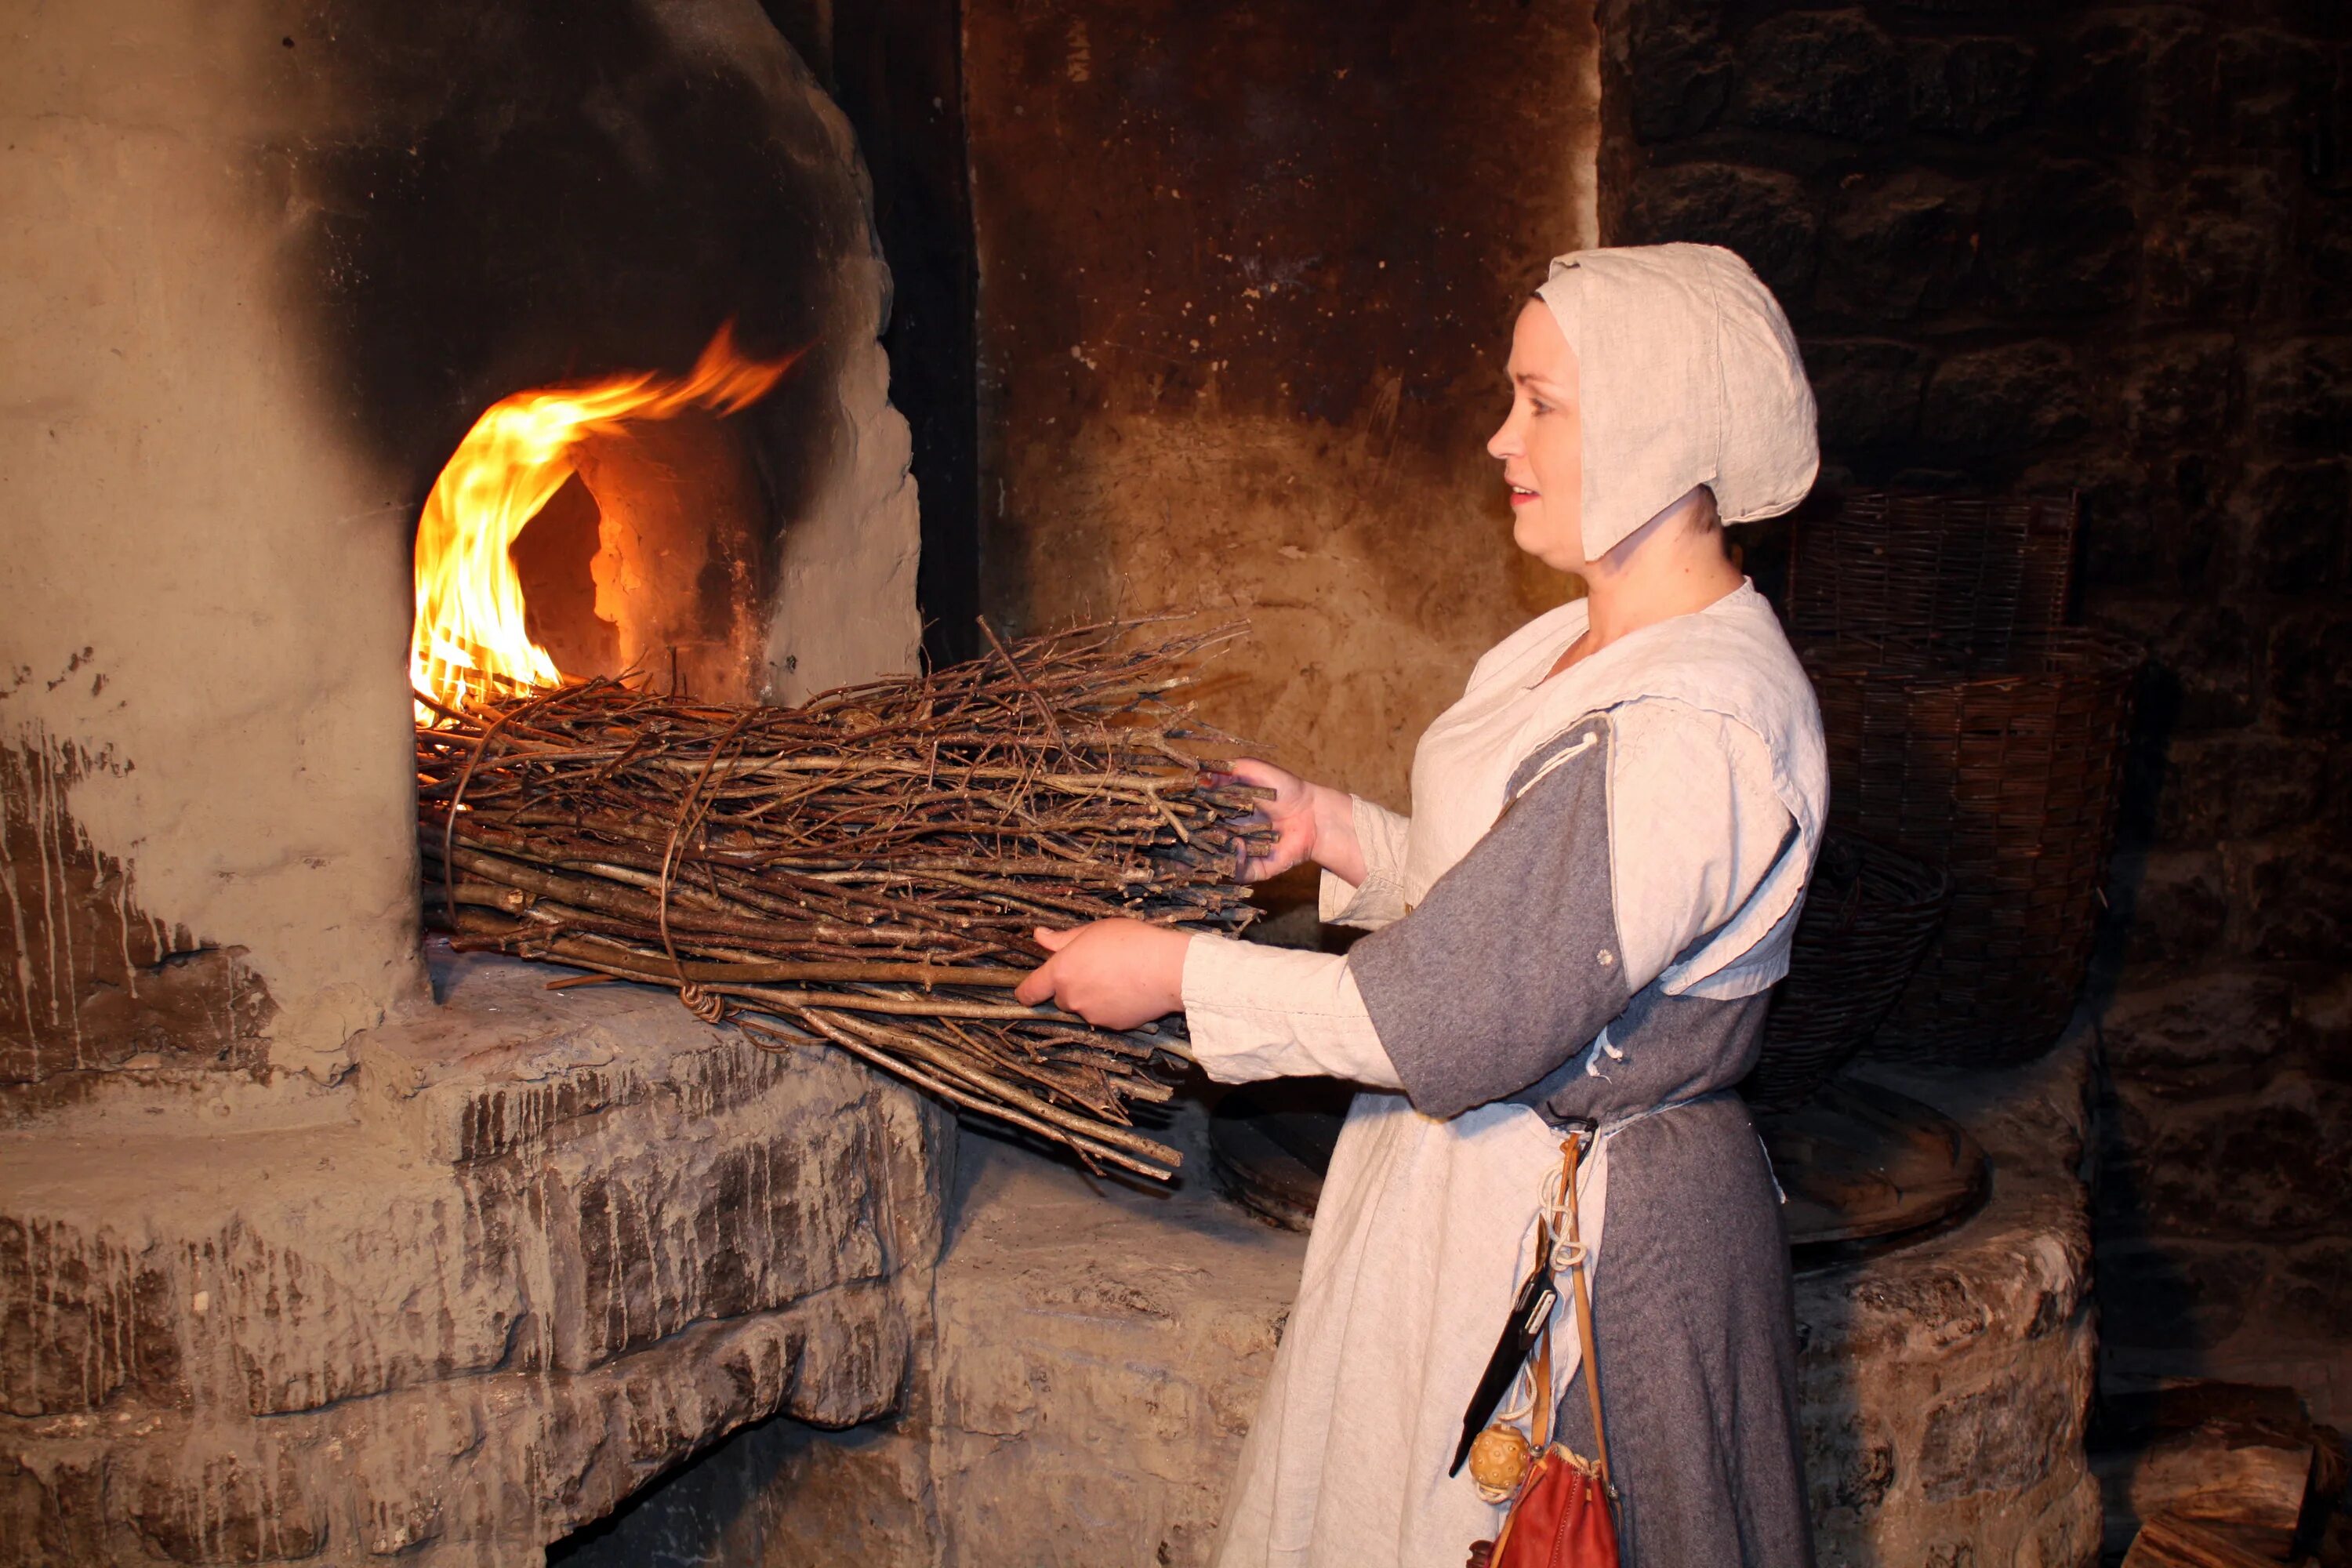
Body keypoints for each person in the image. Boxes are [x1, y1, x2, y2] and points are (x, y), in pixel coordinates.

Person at [1016, 242, 1827, 1568]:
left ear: (1661, 425)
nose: (1501, 435)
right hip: (1463, 1186)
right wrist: (1338, 834)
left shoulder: (1695, 727)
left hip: (1575, 1239)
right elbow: (1527, 895)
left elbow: (1452, 1013)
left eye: (1543, 404)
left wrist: (1175, 974)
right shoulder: (1574, 644)